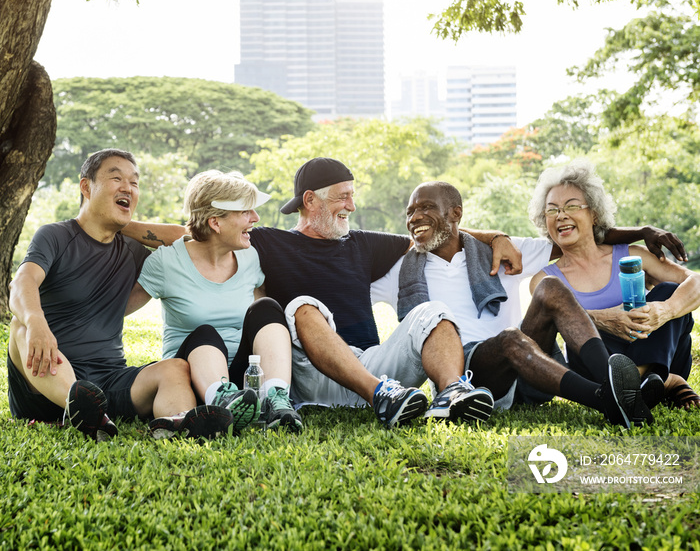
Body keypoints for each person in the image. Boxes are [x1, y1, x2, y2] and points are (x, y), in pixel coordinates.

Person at [123, 157, 526, 427]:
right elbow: (192, 232)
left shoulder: (365, 243)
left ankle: (451, 394)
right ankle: (380, 398)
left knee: (433, 311)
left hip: (371, 363)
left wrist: (495, 236)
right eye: (343, 195)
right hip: (312, 372)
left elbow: (429, 233)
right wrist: (107, 220)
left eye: (352, 193)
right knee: (299, 304)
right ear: (310, 201)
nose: (352, 204)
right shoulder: (264, 242)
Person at [370, 181, 694, 428]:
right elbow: (357, 279)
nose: (416, 217)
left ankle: (613, 380)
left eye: (426, 207)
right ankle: (609, 400)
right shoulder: (400, 270)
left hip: (534, 374)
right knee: (511, 338)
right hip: (475, 377)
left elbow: (575, 233)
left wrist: (639, 232)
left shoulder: (503, 252)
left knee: (551, 287)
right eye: (410, 212)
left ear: (456, 214)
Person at [8, 149, 233, 441]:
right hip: (46, 379)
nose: (128, 187)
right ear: (86, 187)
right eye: (116, 178)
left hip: (109, 381)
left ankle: (176, 424)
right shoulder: (56, 236)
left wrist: (126, 225)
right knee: (20, 327)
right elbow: (22, 281)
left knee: (175, 369)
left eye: (134, 183)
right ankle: (79, 405)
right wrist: (37, 321)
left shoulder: (132, 250)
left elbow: (193, 238)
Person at [128, 170, 302, 432]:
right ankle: (221, 400)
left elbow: (263, 328)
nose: (255, 218)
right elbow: (114, 311)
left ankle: (275, 400)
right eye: (245, 212)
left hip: (244, 383)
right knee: (205, 332)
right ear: (216, 223)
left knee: (267, 308)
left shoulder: (249, 257)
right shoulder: (167, 262)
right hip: (194, 376)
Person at [529, 159, 700, 410]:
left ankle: (641, 382)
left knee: (669, 291)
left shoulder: (632, 255)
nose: (561, 215)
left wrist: (665, 311)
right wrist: (603, 319)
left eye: (571, 206)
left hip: (659, 352)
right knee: (583, 334)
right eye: (552, 210)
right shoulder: (545, 280)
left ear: (594, 213)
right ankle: (666, 383)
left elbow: (695, 282)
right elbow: (553, 322)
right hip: (601, 367)